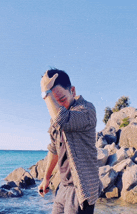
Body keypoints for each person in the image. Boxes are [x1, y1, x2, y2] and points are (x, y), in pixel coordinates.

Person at [39, 68, 100, 214]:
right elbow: (54, 149)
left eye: (62, 100)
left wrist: (45, 92)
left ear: (72, 91)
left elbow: (63, 120)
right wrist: (46, 178)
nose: (59, 105)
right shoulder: (57, 119)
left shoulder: (86, 110)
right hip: (63, 187)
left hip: (82, 189)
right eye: (55, 102)